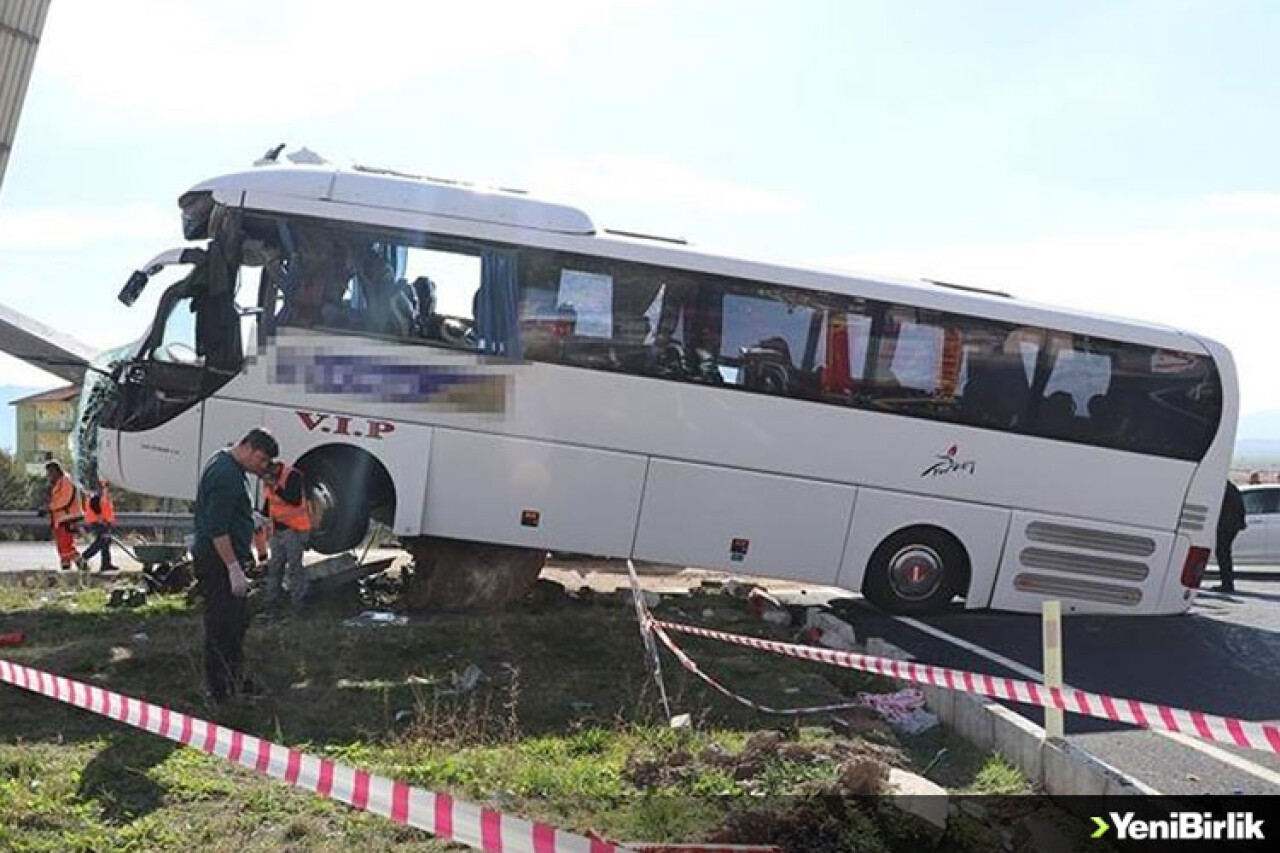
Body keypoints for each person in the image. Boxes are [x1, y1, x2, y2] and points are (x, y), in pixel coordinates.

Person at [192, 427, 278, 705]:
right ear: (249, 448)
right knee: (222, 625)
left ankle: (236, 678)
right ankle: (219, 691)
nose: (263, 467)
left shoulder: (226, 462)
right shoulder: (226, 476)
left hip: (224, 558)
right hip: (218, 561)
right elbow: (218, 529)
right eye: (262, 460)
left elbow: (226, 512)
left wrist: (247, 517)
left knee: (237, 622)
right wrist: (233, 568)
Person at [260, 459, 311, 612]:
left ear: (275, 468)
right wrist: (261, 515)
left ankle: (298, 603)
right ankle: (271, 602)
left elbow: (294, 500)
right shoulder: (269, 480)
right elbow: (270, 502)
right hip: (277, 529)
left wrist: (275, 487)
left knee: (294, 567)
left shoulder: (293, 476)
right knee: (275, 567)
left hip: (293, 529)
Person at [39, 461, 86, 571]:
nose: (49, 475)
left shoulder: (66, 481)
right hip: (60, 518)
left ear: (57, 470)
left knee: (66, 544)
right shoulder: (59, 482)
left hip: (68, 517)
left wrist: (49, 508)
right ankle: (66, 566)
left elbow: (65, 500)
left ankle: (81, 563)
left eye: (50, 472)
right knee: (62, 545)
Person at [1215, 480, 1246, 593]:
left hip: (1227, 525)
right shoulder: (1230, 487)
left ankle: (1227, 584)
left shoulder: (1223, 488)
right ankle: (1227, 582)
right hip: (1232, 524)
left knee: (1222, 553)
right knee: (1224, 553)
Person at [81, 479, 117, 572]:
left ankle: (106, 564)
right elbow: (94, 503)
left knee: (105, 543)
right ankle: (84, 558)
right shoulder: (99, 492)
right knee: (101, 542)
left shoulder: (103, 492)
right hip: (98, 521)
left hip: (102, 521)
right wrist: (101, 518)